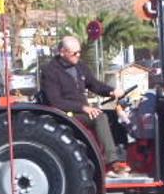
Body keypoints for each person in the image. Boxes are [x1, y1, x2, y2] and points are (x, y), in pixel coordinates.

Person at [40, 36, 131, 177]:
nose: (78, 55)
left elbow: (94, 84)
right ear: (63, 52)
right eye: (74, 53)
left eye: (79, 52)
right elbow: (56, 101)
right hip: (65, 113)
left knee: (113, 115)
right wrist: (84, 108)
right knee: (100, 117)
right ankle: (112, 163)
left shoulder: (80, 67)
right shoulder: (50, 71)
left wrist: (111, 91)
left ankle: (124, 154)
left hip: (81, 110)